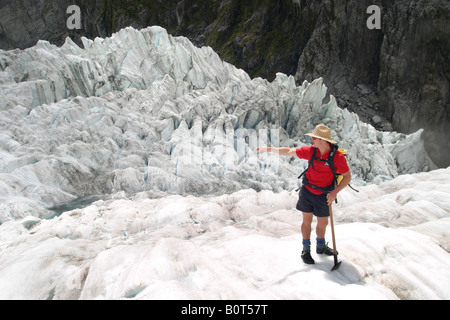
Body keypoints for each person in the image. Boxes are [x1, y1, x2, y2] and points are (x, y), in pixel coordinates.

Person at [257, 124, 351, 264]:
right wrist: (270, 149)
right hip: (307, 191)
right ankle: (306, 250)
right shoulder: (311, 151)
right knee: (306, 221)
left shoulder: (337, 157)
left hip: (324, 194)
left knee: (323, 222)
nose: (312, 140)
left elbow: (347, 176)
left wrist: (334, 192)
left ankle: (320, 246)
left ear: (322, 140)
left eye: (314, 138)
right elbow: (289, 151)